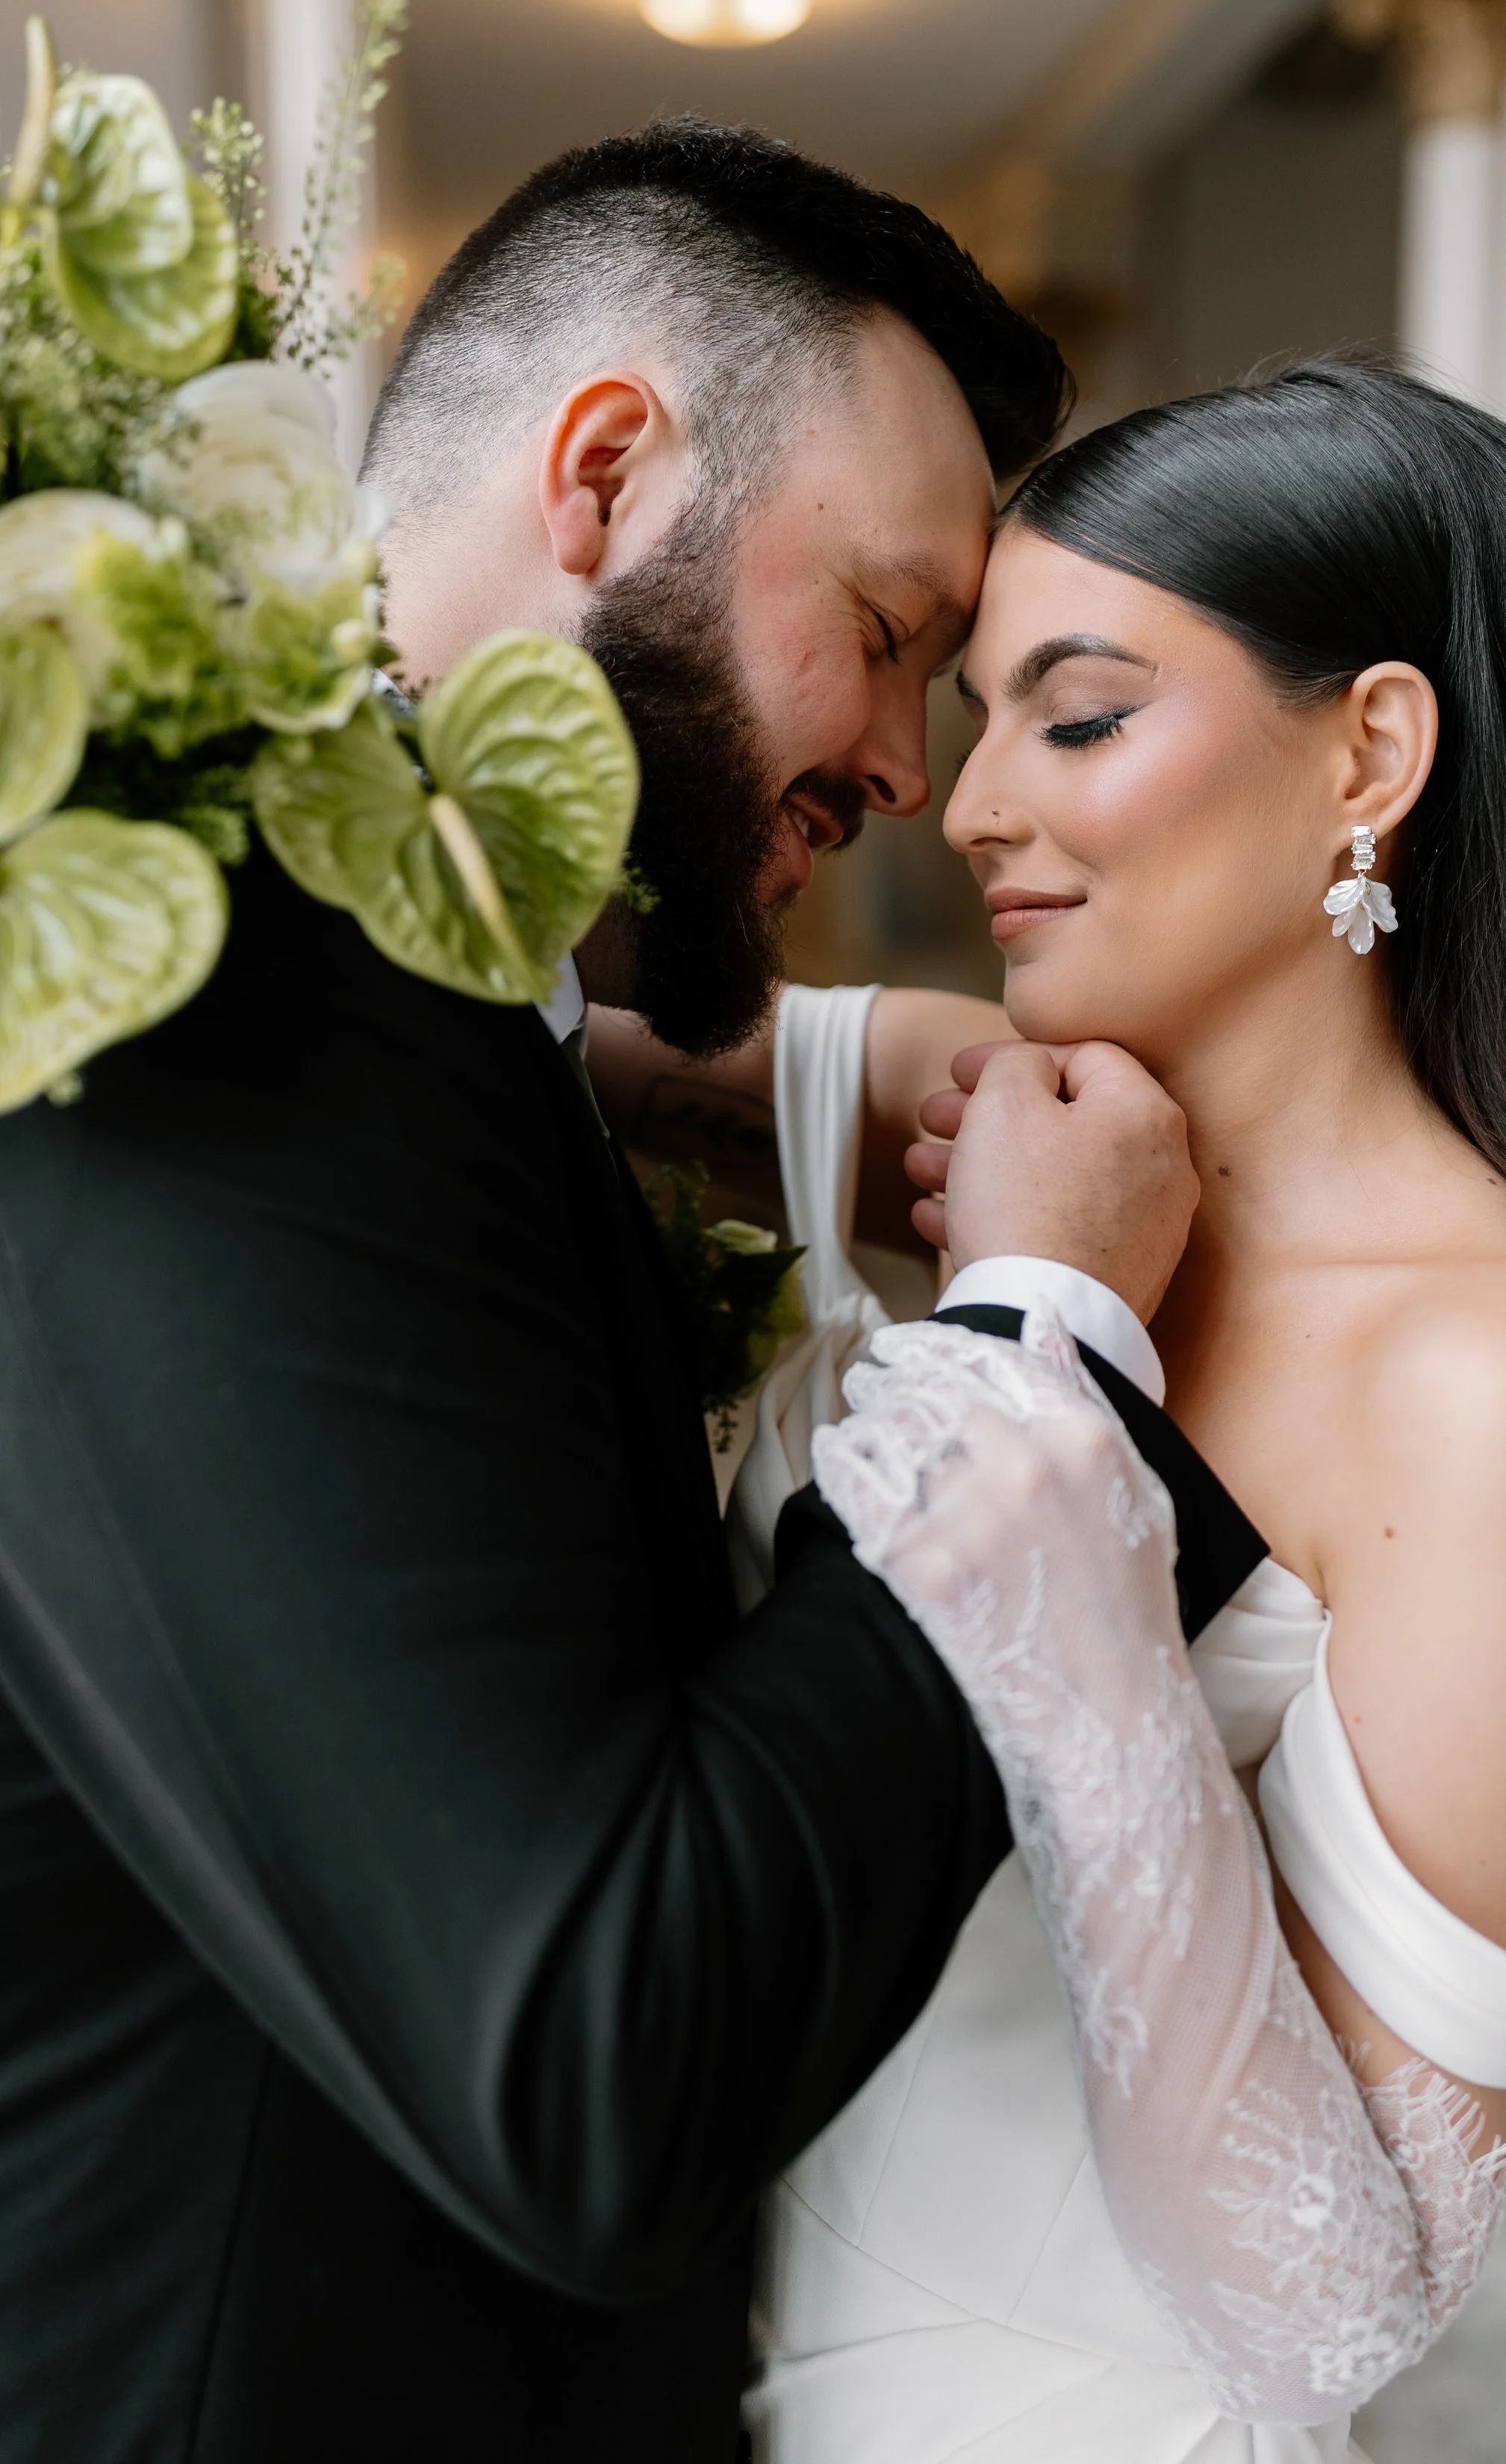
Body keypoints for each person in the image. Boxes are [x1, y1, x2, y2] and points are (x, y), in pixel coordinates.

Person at [0, 123, 1268, 2464]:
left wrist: (768, 1065)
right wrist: (1031, 1345)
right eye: (887, 636)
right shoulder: (229, 1030)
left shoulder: (375, 977)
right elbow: (595, 2061)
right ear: (602, 470)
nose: (909, 768)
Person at [590, 361, 1506, 2460]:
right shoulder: (986, 1116)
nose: (971, 797)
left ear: (1370, 750)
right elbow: (499, 1054)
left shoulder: (1484, 1382)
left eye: (1076, 713)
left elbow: (1325, 2305)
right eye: (974, 703)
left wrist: (1066, 1534)